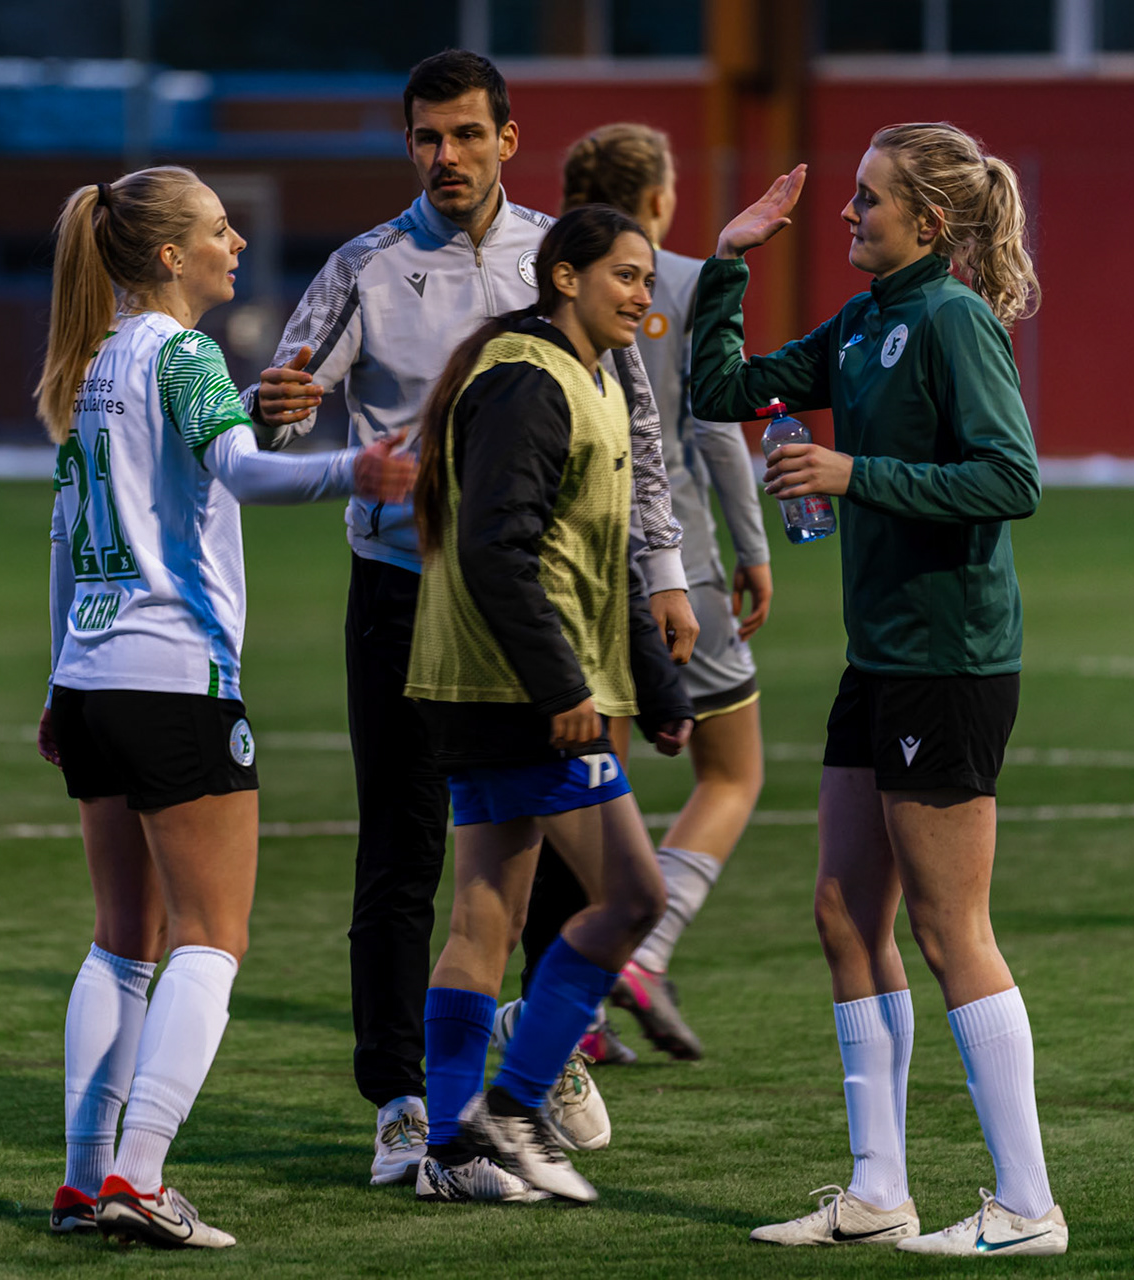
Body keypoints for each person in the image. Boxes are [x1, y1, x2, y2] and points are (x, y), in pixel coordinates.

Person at [244, 49, 698, 1185]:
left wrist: (665, 573)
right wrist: (277, 406)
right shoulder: (365, 264)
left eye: (463, 134)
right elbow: (286, 412)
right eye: (424, 138)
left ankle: (532, 1062)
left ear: (507, 135)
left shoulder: (562, 259)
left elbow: (635, 434)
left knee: (549, 856)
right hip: (403, 592)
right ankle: (402, 1097)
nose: (443, 156)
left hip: (543, 603)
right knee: (402, 848)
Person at [691, 125, 1066, 1255]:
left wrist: (854, 473)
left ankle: (1026, 1203)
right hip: (883, 657)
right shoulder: (864, 321)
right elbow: (721, 385)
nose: (848, 213)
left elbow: (1013, 477)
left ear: (928, 223)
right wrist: (729, 256)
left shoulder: (952, 321)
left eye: (867, 199)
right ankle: (877, 1188)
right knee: (846, 913)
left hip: (950, 660)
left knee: (955, 930)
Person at [31, 165, 414, 1249]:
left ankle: (82, 1175)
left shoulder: (94, 361)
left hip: (95, 675)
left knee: (121, 942)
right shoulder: (186, 353)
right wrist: (362, 471)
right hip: (175, 677)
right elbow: (243, 474)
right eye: (215, 228)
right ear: (167, 255)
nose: (235, 241)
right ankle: (141, 1174)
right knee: (213, 937)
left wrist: (58, 680)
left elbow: (67, 534)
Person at [405, 204, 689, 1204]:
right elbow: (494, 547)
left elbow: (595, 553)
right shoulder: (530, 377)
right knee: (636, 895)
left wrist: (656, 687)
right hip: (519, 687)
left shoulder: (587, 375)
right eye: (624, 274)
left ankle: (451, 1147)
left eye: (649, 280)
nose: (642, 295)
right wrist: (565, 686)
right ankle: (517, 1107)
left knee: (488, 909)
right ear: (563, 277)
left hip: (486, 682)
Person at [508, 122, 775, 1064]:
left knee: (596, 786)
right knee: (734, 770)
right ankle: (643, 950)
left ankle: (570, 1004)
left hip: (583, 575)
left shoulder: (551, 287)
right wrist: (755, 548)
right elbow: (712, 430)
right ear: (657, 200)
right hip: (678, 570)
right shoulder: (691, 280)